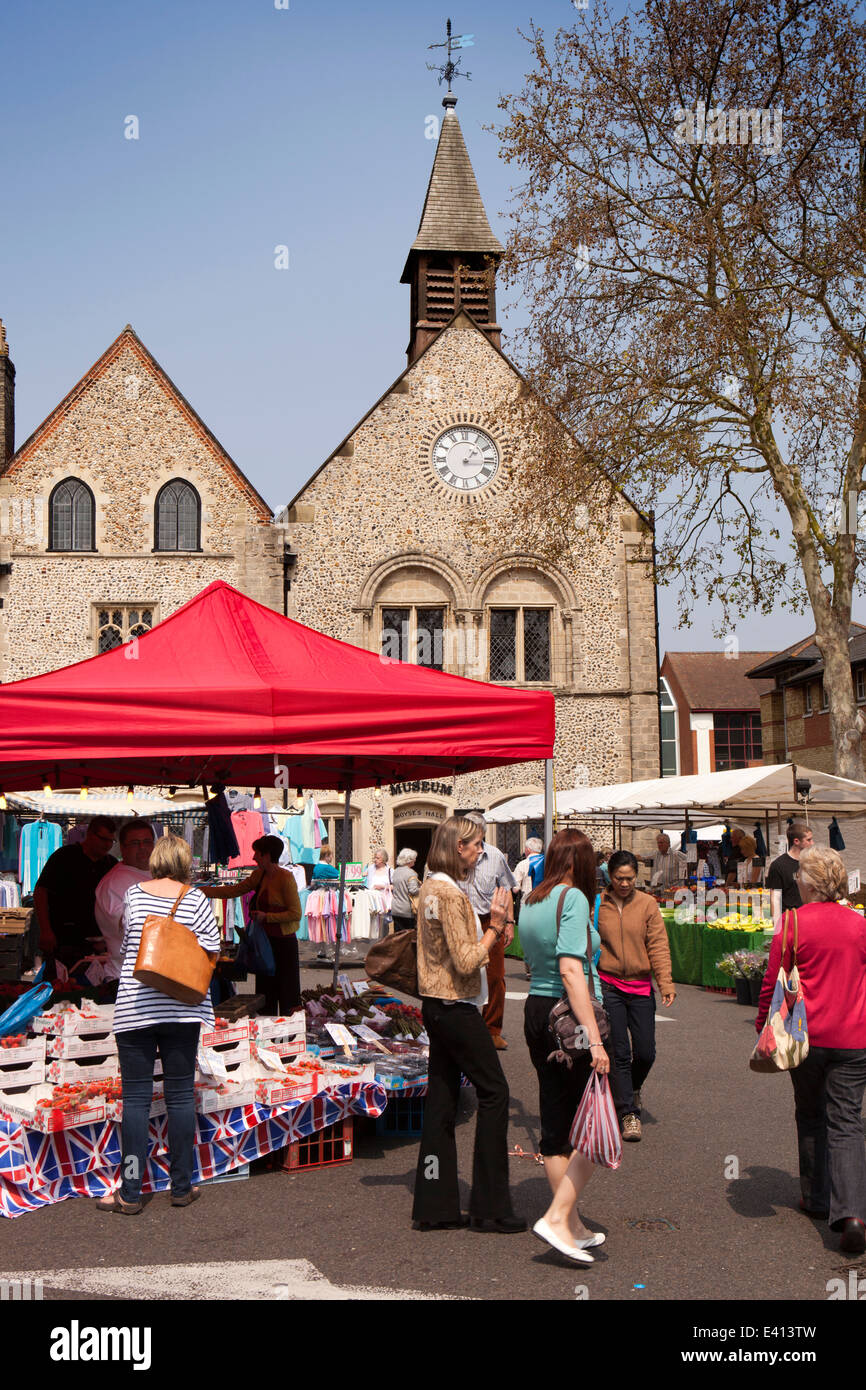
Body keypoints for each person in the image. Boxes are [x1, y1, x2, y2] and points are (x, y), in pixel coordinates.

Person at [411, 814, 525, 1233]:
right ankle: (490, 1206)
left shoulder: (429, 888)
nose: (481, 851)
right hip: (456, 1006)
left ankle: (434, 1204)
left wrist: (492, 931)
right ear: (458, 847)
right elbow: (466, 959)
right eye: (475, 844)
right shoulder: (452, 894)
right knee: (495, 1092)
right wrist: (494, 928)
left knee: (441, 1102)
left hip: (434, 1004)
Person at [97, 833, 220, 1213]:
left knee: (135, 1101)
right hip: (183, 1009)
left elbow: (123, 934)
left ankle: (130, 1191)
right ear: (184, 863)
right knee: (180, 1098)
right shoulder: (197, 899)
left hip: (136, 1008)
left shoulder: (134, 894)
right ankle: (181, 1186)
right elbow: (213, 948)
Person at [755, 846, 866, 1253]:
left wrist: (762, 1028)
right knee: (848, 1121)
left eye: (801, 875)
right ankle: (852, 1212)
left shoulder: (793, 923)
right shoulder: (859, 924)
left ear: (810, 882)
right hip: (855, 1038)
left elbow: (772, 980)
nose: (797, 880)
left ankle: (818, 1199)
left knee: (811, 1112)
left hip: (806, 1037)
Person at [519, 828, 610, 1263]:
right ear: (580, 863)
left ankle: (568, 1223)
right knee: (591, 1127)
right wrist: (594, 1038)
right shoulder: (571, 898)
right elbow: (572, 971)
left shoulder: (533, 899)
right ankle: (557, 1218)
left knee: (556, 1123)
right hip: (566, 1015)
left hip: (537, 1010)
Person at [597, 849, 676, 1141]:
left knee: (645, 1052)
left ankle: (631, 1088)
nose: (625, 883)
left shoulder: (647, 905)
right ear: (610, 875)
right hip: (609, 985)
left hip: (641, 987)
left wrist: (665, 982)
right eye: (619, 878)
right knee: (618, 1052)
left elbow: (658, 944)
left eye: (630, 878)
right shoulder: (597, 904)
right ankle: (628, 1113)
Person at [203, 835, 303, 1013]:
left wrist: (267, 917)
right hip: (264, 944)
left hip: (283, 945)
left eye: (256, 853)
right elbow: (235, 890)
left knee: (287, 992)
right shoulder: (259, 875)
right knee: (265, 993)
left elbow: (295, 914)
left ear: (267, 855)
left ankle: (291, 1036)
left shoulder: (285, 878)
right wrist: (203, 891)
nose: (254, 857)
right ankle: (267, 1034)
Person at [459, 812, 516, 1051]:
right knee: (463, 974)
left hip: (488, 920)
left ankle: (492, 1030)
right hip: (462, 920)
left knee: (495, 976)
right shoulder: (456, 854)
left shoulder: (495, 856)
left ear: (482, 833)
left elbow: (506, 889)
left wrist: (510, 922)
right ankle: (465, 1029)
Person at [34, 816, 118, 978]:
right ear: (90, 834)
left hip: (100, 944)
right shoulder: (64, 857)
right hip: (64, 939)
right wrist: (45, 930)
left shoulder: (111, 864)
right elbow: (41, 891)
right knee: (61, 987)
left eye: (111, 841)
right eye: (103, 839)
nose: (107, 845)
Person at [93, 820, 157, 987]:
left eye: (147, 842)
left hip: (157, 979)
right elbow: (130, 928)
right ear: (122, 848)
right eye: (135, 843)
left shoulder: (158, 874)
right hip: (128, 981)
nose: (143, 848)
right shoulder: (113, 884)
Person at [766, 819, 815, 922]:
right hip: (790, 920)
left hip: (810, 918)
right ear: (796, 841)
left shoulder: (812, 862)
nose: (812, 843)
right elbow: (775, 898)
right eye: (809, 840)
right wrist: (777, 925)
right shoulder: (778, 865)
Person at [513, 837, 544, 916]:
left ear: (528, 849)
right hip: (545, 904)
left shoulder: (522, 864)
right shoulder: (547, 862)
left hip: (527, 905)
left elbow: (515, 889)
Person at [391, 848, 420, 931]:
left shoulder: (396, 871)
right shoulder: (411, 873)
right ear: (409, 860)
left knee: (398, 936)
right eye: (414, 858)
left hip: (395, 909)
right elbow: (413, 890)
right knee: (408, 938)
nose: (415, 860)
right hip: (407, 910)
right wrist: (423, 888)